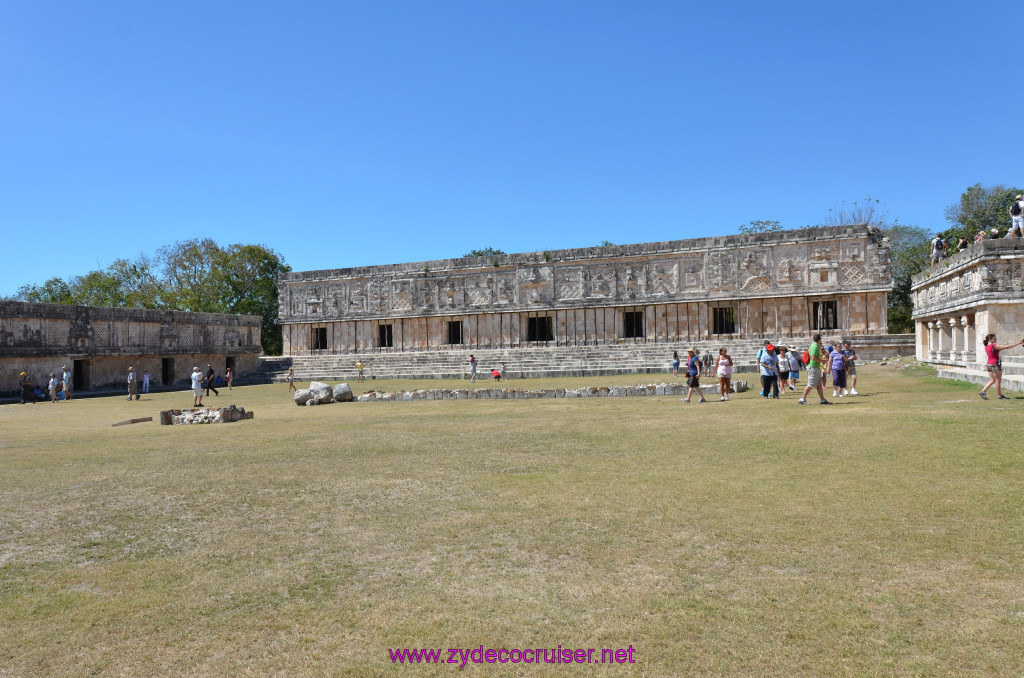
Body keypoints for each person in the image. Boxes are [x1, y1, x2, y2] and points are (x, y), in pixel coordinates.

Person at [979, 333, 1024, 400]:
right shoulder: (994, 346)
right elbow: (1007, 347)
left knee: (992, 380)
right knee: (998, 381)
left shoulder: (987, 347)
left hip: (989, 364)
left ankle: (983, 391)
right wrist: (1018, 343)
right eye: (994, 338)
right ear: (990, 339)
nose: (996, 339)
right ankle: (999, 396)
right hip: (995, 364)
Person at [798, 334, 831, 405]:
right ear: (819, 339)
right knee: (810, 384)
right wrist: (822, 361)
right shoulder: (815, 347)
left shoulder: (816, 346)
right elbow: (813, 357)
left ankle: (822, 399)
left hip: (816, 367)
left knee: (819, 384)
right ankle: (802, 399)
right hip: (813, 367)